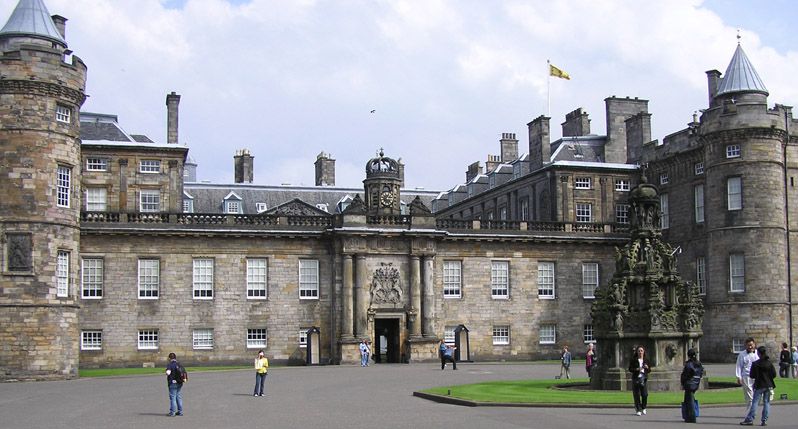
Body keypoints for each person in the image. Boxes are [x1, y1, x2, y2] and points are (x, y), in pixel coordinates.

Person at [740, 346, 776, 426]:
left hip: (759, 385)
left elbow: (752, 375)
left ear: (759, 353)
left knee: (755, 402)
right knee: (767, 402)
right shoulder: (769, 363)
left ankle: (750, 419)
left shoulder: (755, 364)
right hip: (768, 384)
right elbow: (774, 374)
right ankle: (764, 420)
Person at [735, 337, 759, 410]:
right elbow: (739, 366)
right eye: (748, 345)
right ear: (746, 346)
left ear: (754, 344)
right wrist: (738, 377)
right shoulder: (742, 354)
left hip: (756, 377)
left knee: (756, 394)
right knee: (749, 394)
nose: (750, 346)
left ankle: (752, 410)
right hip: (746, 376)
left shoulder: (758, 353)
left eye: (751, 345)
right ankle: (751, 411)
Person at [680, 348, 703, 423]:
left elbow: (686, 375)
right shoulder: (698, 364)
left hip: (689, 384)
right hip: (696, 383)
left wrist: (683, 382)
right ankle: (687, 416)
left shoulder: (689, 364)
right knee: (688, 399)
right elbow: (700, 373)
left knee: (690, 401)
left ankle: (692, 417)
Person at [628, 345, 650, 416]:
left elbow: (649, 370)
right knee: (636, 395)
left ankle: (643, 407)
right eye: (639, 351)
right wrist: (637, 369)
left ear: (644, 352)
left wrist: (647, 368)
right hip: (636, 378)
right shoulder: (633, 360)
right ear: (637, 352)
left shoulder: (646, 360)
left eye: (641, 351)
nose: (640, 352)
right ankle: (638, 409)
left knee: (645, 394)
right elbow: (630, 369)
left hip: (644, 378)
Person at [165, 352, 184, 417]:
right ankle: (180, 411)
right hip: (180, 382)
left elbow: (168, 372)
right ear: (175, 357)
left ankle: (172, 412)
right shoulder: (179, 364)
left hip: (173, 383)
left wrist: (166, 371)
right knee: (178, 396)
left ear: (169, 358)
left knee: (173, 397)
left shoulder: (170, 365)